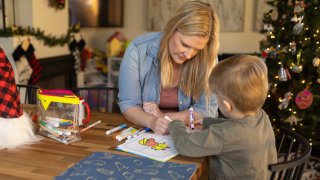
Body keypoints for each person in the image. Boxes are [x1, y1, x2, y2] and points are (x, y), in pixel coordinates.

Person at [118, 1, 220, 135]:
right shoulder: (137, 50)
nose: (189, 55)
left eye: (197, 49)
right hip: (145, 131)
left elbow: (207, 110)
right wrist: (152, 122)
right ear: (172, 28)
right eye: (184, 44)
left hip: (187, 133)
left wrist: (166, 118)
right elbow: (129, 104)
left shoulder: (208, 59)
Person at [168, 55, 277, 179]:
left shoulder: (225, 134)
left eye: (217, 96)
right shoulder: (261, 115)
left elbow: (185, 145)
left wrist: (176, 123)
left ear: (226, 105)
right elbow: (232, 128)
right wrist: (207, 122)